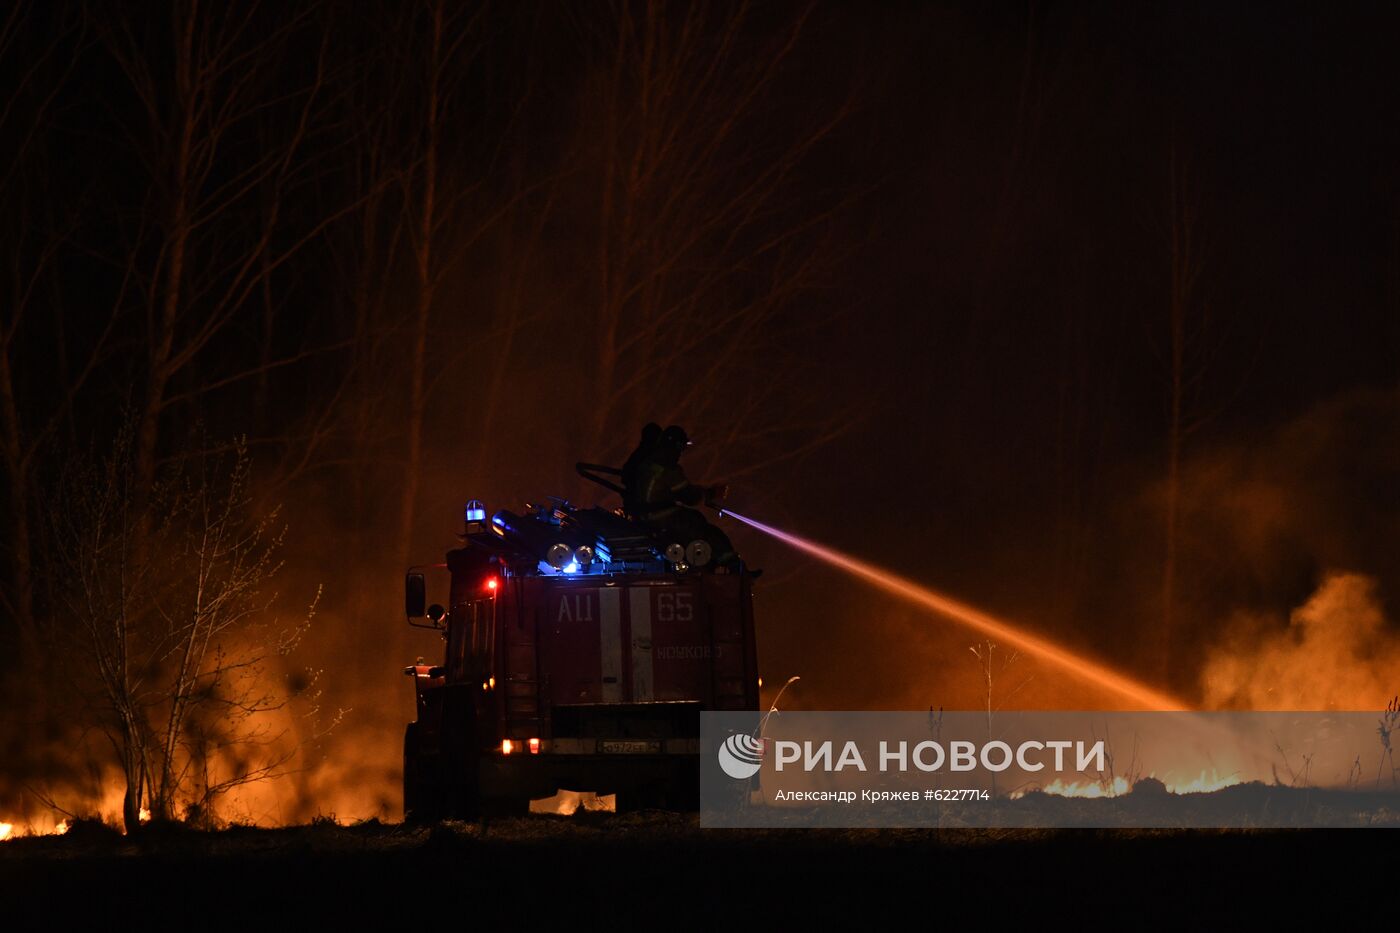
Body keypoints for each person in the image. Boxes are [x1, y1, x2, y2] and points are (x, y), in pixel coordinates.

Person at [626, 424, 740, 569]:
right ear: (677, 446)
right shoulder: (669, 468)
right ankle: (734, 567)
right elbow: (689, 497)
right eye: (681, 448)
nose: (681, 453)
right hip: (663, 517)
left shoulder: (647, 464)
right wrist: (709, 493)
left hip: (644, 516)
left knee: (695, 518)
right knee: (710, 532)